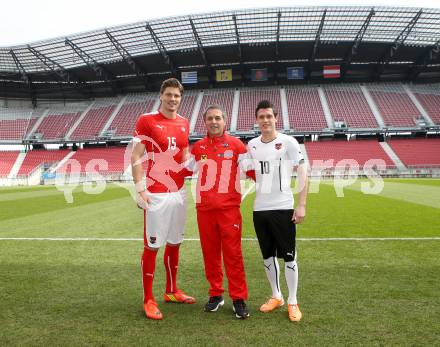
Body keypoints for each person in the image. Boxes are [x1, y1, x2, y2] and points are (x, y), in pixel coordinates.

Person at [131, 78, 195, 320]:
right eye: (168, 94)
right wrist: (140, 189)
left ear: (181, 98)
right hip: (156, 193)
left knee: (175, 242)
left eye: (176, 96)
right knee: (152, 246)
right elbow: (136, 156)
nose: (172, 99)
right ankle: (148, 298)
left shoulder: (184, 123)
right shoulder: (146, 120)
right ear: (161, 95)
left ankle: (171, 290)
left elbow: (185, 155)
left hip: (178, 192)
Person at [246, 100, 308, 322]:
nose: (265, 120)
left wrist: (301, 205)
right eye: (261, 117)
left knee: (289, 257)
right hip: (259, 209)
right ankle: (276, 296)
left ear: (275, 118)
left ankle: (292, 300)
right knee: (267, 256)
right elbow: (245, 169)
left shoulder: (288, 142)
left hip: (283, 208)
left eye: (269, 116)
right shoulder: (252, 145)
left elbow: (302, 172)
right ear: (257, 120)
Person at [186, 105, 250, 319]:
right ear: (205, 122)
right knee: (210, 254)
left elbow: (252, 169)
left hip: (229, 210)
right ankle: (216, 294)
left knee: (233, 255)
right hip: (204, 210)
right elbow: (183, 170)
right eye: (210, 119)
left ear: (225, 121)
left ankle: (238, 298)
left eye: (218, 118)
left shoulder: (236, 145)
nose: (214, 122)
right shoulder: (198, 148)